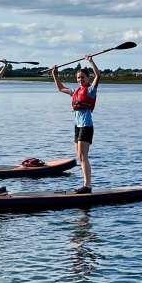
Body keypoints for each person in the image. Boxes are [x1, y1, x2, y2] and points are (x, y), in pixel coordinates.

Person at [52, 56, 100, 194]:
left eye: (83, 77)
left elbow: (98, 75)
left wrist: (90, 61)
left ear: (88, 78)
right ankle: (85, 184)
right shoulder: (76, 92)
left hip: (86, 125)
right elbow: (60, 88)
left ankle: (87, 186)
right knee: (79, 156)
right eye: (78, 78)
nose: (80, 80)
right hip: (77, 126)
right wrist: (55, 74)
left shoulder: (90, 90)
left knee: (84, 156)